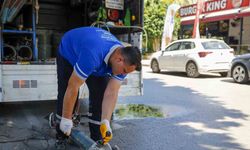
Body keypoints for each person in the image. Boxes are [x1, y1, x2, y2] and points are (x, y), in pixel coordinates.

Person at [55, 27, 141, 147]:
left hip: (95, 57)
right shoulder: (93, 54)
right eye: (124, 71)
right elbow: (73, 87)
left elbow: (112, 92)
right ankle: (61, 134)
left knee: (100, 96)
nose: (123, 74)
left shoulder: (124, 62)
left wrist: (105, 121)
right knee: (67, 93)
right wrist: (66, 118)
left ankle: (97, 140)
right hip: (69, 52)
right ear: (119, 59)